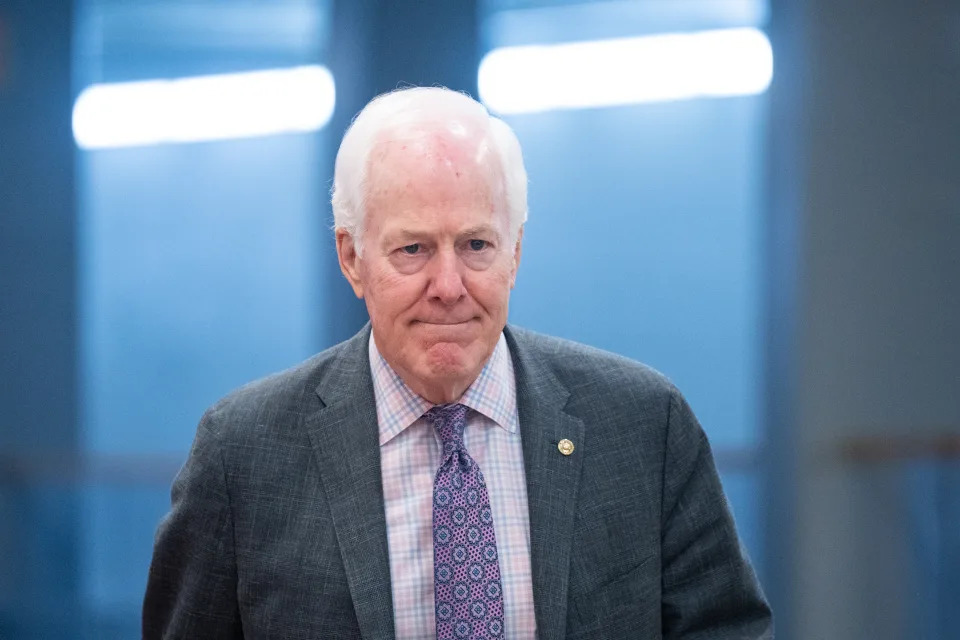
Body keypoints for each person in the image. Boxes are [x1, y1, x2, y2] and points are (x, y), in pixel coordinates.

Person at [143, 87, 772, 639]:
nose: (449, 284)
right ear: (351, 257)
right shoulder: (244, 454)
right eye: (413, 249)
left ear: (516, 252)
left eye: (476, 245)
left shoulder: (642, 426)